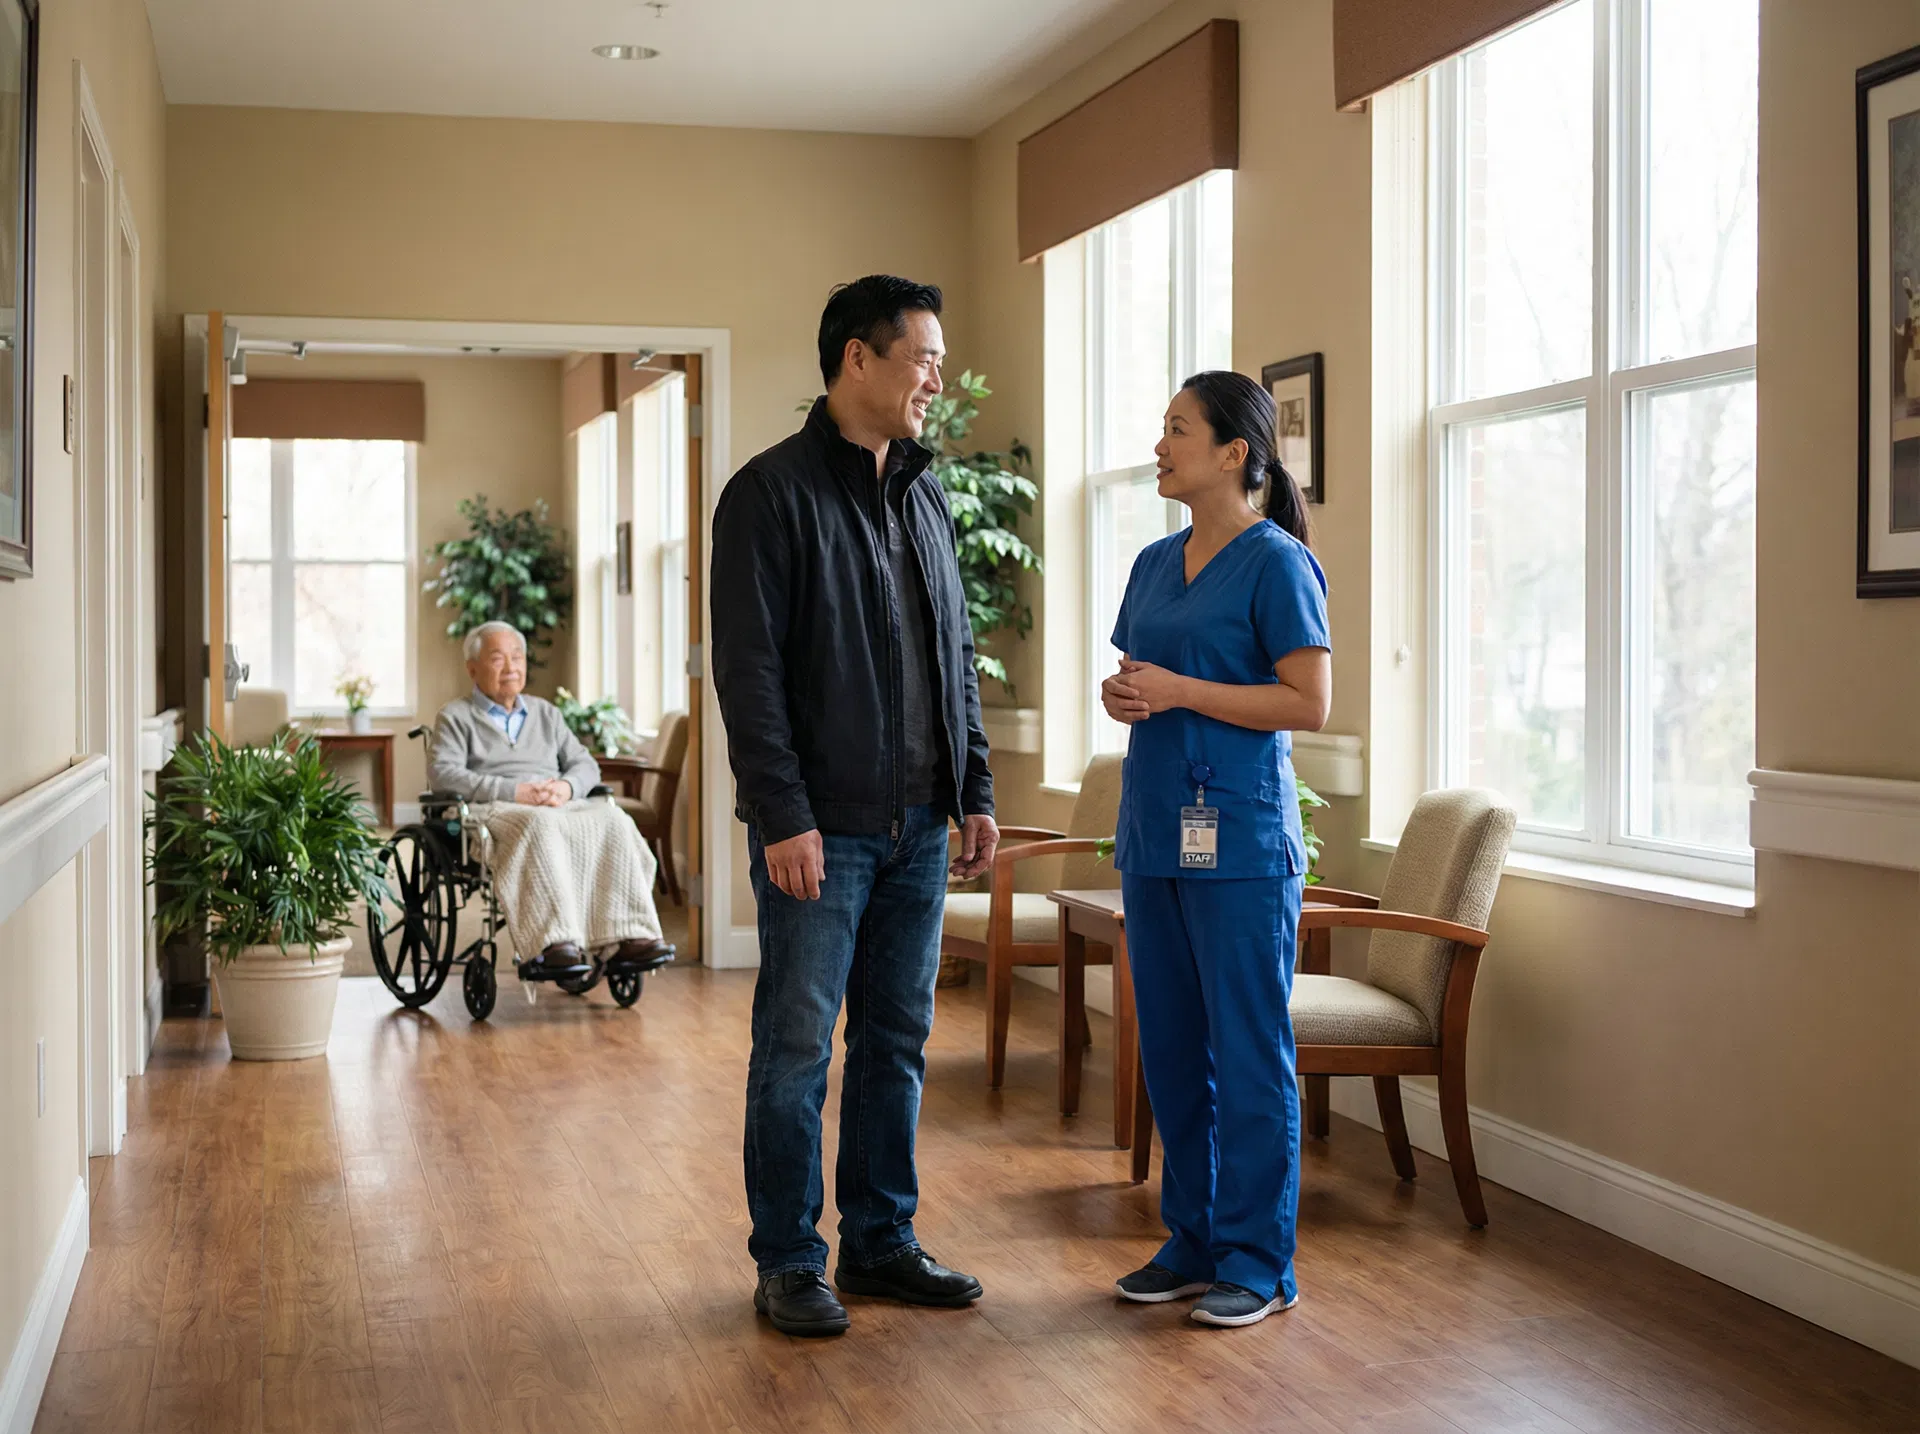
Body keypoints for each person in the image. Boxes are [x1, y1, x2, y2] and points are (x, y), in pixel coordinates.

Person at [710, 275, 1000, 1338]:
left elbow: (954, 659)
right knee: (796, 1048)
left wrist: (973, 790)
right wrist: (782, 815)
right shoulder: (767, 495)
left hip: (923, 826)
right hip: (819, 830)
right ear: (856, 360)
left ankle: (881, 1242)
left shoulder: (928, 495)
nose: (938, 377)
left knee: (898, 1040)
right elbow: (749, 675)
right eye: (922, 357)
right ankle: (789, 1259)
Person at [1099, 371, 1331, 1328]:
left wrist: (1185, 691)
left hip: (1238, 841)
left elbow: (1309, 704)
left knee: (1246, 1053)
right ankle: (1191, 1242)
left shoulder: (1278, 565)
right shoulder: (1154, 563)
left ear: (1235, 453)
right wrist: (1126, 697)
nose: (1160, 447)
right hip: (1156, 830)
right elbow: (1137, 681)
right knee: (1173, 1050)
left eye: (1177, 431)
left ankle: (1257, 1261)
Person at [427, 621, 676, 975]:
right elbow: (444, 774)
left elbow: (585, 765)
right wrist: (516, 791)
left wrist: (566, 787)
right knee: (540, 822)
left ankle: (630, 934)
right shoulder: (455, 717)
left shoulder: (546, 713)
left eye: (517, 657)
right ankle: (553, 942)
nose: (511, 667)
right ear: (472, 669)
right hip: (494, 808)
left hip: (555, 802)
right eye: (498, 658)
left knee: (614, 818)